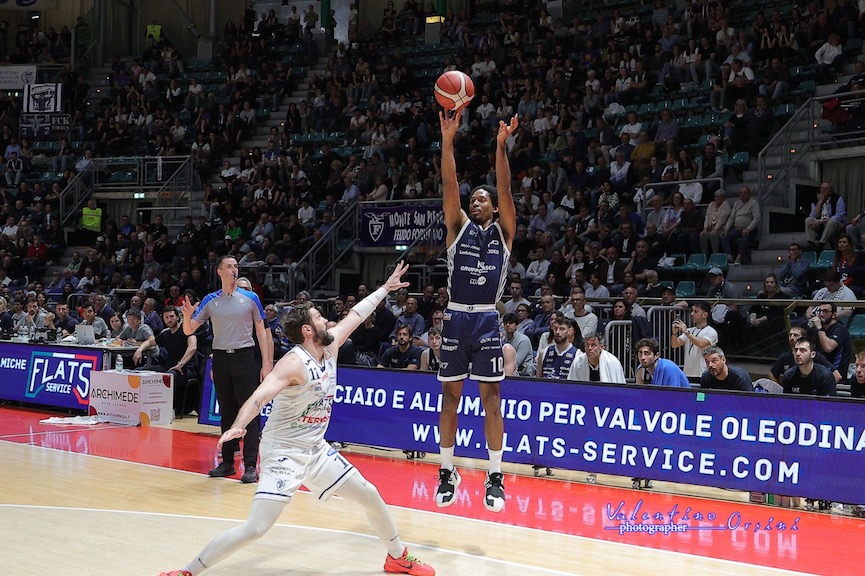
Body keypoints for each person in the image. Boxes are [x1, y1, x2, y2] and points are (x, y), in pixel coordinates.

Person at [158, 262, 435, 576]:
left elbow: (356, 315)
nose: (326, 319)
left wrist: (385, 288)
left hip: (315, 449)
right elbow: (261, 395)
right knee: (256, 528)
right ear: (307, 330)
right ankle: (187, 570)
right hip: (283, 452)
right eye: (318, 317)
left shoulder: (329, 346)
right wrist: (239, 424)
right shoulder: (293, 363)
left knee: (369, 494)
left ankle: (397, 556)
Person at [435, 111, 518, 513]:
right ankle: (447, 470)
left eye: (482, 199)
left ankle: (495, 475)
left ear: (494, 208)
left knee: (492, 398)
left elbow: (505, 187)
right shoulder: (457, 226)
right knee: (449, 399)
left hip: (486, 318)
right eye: (473, 200)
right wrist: (447, 140)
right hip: (455, 317)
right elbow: (449, 183)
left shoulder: (505, 232)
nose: (476, 202)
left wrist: (501, 145)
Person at [181, 255, 273, 484]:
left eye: (236, 266)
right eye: (229, 266)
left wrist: (266, 363)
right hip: (221, 358)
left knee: (250, 412)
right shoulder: (211, 300)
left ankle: (251, 465)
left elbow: (262, 333)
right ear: (219, 271)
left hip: (244, 357)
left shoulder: (251, 298)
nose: (234, 269)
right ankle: (228, 463)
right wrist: (187, 315)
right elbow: (188, 330)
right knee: (228, 412)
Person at [134, 306, 199, 414]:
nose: (169, 319)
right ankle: (141, 407)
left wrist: (181, 364)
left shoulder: (186, 330)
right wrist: (139, 350)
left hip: (186, 368)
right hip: (169, 366)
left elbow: (193, 347)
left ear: (177, 317)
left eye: (172, 316)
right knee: (140, 370)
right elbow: (150, 342)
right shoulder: (166, 334)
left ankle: (168, 410)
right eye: (166, 317)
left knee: (169, 376)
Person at [769, 326, 842, 385]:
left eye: (796, 335)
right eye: (790, 335)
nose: (792, 338)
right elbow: (772, 374)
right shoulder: (785, 358)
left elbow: (837, 376)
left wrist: (824, 388)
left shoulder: (816, 356)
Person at [670, 302, 718, 379]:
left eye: (696, 311)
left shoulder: (711, 331)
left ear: (705, 315)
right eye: (692, 311)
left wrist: (686, 332)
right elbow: (674, 344)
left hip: (702, 372)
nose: (692, 314)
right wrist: (674, 333)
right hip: (687, 372)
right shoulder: (690, 330)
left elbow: (701, 344)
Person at [809, 302, 852, 378]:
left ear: (834, 315)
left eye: (825, 311)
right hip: (819, 372)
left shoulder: (840, 329)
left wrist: (819, 328)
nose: (821, 314)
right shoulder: (818, 329)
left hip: (836, 375)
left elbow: (828, 348)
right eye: (820, 311)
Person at [805, 182, 846, 252]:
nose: (823, 190)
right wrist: (820, 201)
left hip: (837, 225)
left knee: (831, 221)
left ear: (831, 191)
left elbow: (840, 215)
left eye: (826, 188)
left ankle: (821, 244)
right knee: (808, 220)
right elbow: (813, 215)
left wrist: (821, 221)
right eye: (822, 188)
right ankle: (811, 244)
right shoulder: (816, 200)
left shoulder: (838, 199)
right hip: (821, 225)